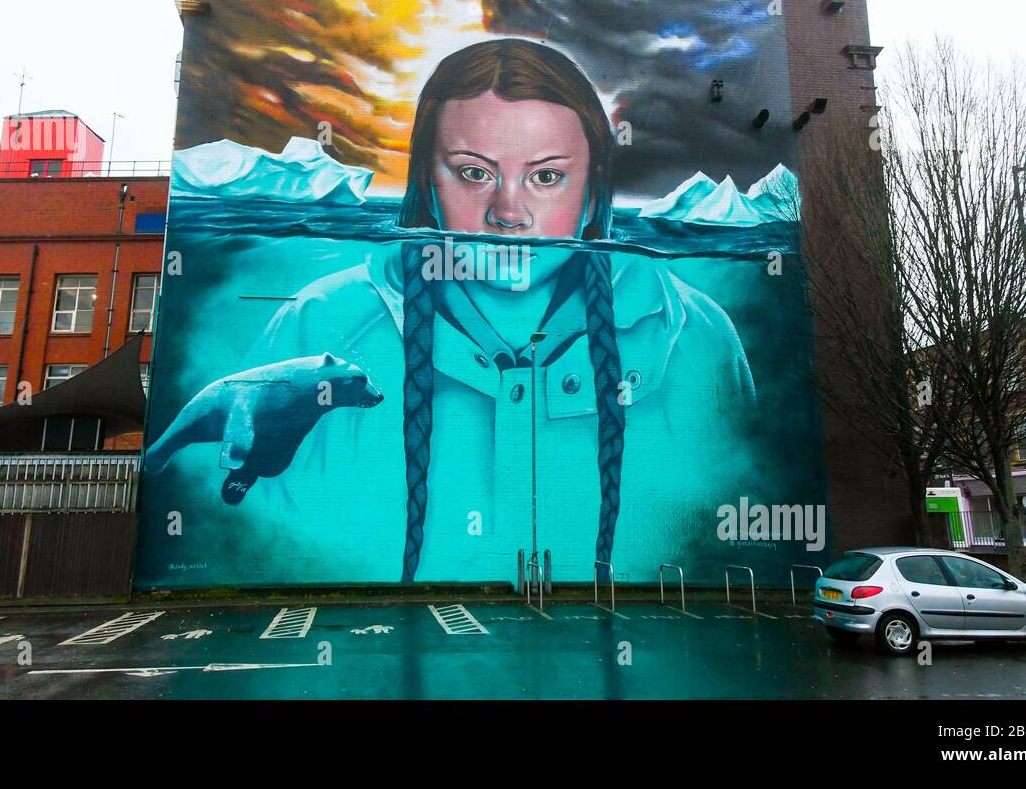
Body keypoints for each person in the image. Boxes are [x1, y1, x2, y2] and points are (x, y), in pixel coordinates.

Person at [148, 38, 756, 584]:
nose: (508, 211)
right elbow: (244, 530)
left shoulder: (697, 339)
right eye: (473, 173)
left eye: (546, 176)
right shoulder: (320, 322)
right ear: (425, 182)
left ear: (594, 185)